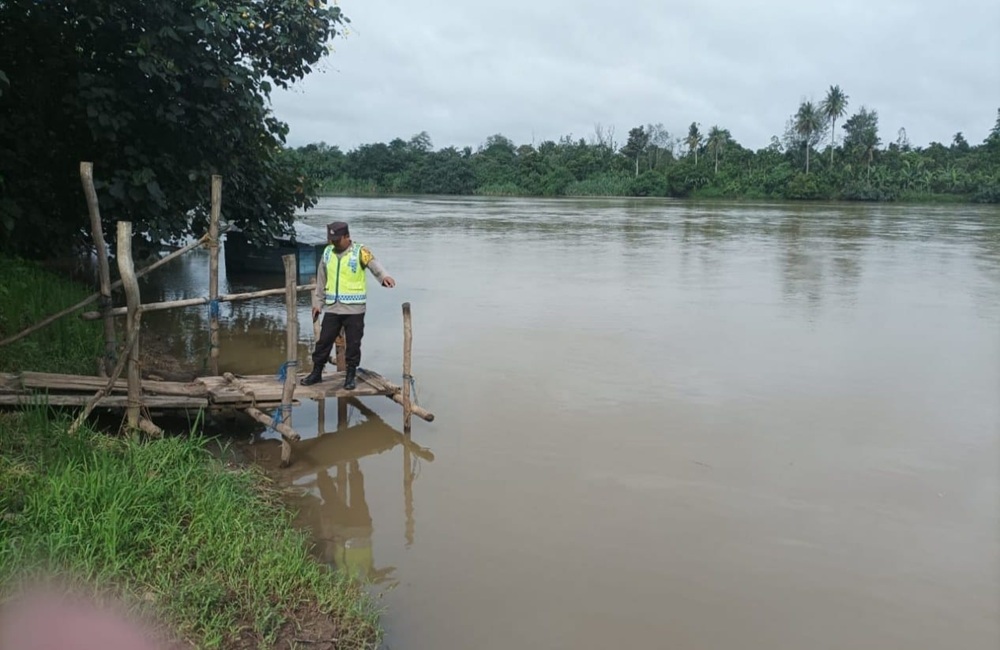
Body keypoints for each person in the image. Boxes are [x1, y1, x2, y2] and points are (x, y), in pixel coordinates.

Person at [301, 221, 395, 389]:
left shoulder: (360, 251)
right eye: (332, 240)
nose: (334, 243)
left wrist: (384, 277)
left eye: (337, 240)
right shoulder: (327, 252)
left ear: (347, 237)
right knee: (324, 341)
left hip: (354, 308)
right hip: (333, 307)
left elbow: (374, 265)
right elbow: (321, 279)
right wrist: (318, 303)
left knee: (353, 343)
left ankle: (350, 375)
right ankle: (316, 372)